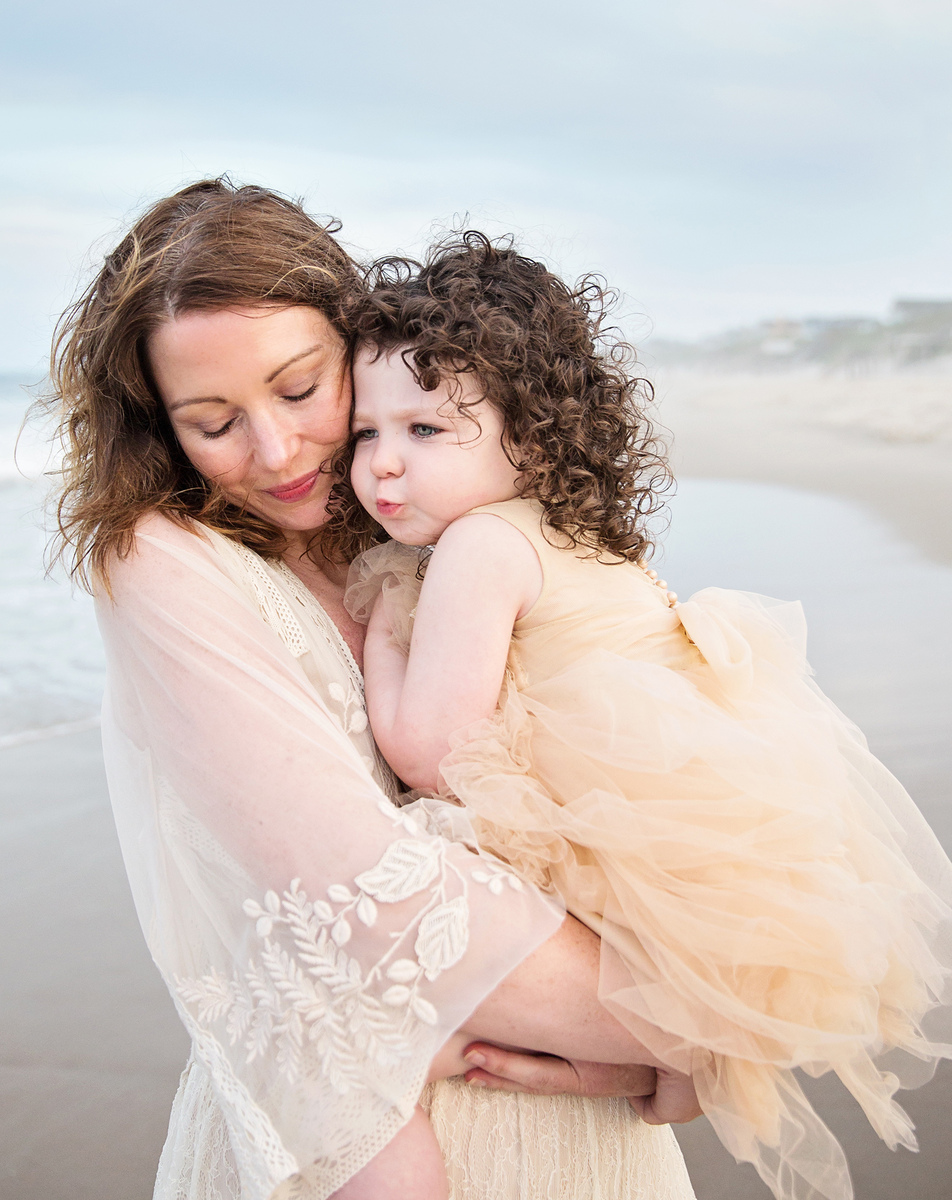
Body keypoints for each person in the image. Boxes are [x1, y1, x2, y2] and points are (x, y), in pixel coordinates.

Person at [46, 180, 700, 1200]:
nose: (275, 452)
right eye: (211, 421)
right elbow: (360, 890)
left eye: (303, 391)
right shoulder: (163, 557)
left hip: (577, 1095)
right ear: (158, 429)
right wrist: (695, 1027)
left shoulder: (420, 511)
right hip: (396, 1122)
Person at [335, 232, 952, 1200]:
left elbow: (431, 752)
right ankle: (644, 1068)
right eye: (365, 433)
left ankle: (616, 1063)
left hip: (622, 830)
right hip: (710, 843)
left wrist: (378, 636)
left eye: (426, 431)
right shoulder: (581, 537)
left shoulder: (481, 547)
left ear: (530, 434)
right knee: (666, 1002)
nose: (383, 467)